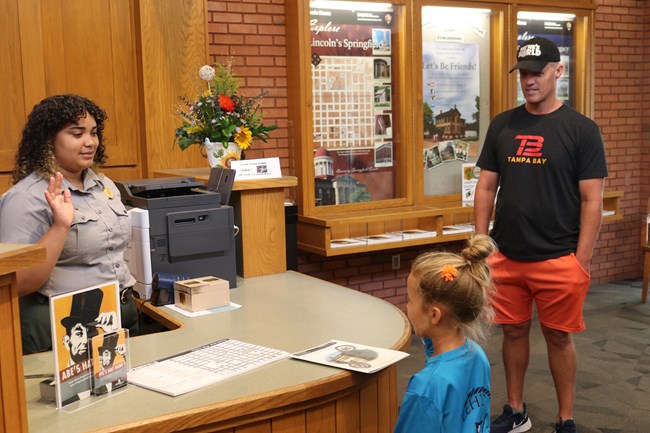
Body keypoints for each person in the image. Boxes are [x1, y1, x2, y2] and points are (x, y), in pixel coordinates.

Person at [474, 37, 608, 433]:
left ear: (557, 71)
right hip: (507, 256)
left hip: (559, 258)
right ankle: (516, 411)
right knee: (513, 331)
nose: (530, 81)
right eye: (525, 74)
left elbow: (592, 201)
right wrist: (482, 246)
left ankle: (566, 418)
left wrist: (580, 261)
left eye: (538, 72)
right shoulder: (503, 124)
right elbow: (485, 188)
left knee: (559, 338)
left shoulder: (582, 130)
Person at [0, 94, 139, 355]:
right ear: (48, 141)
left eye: (94, 133)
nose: (90, 142)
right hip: (67, 326)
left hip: (118, 313)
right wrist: (60, 227)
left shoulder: (104, 185)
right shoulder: (25, 197)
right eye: (77, 134)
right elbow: (20, 282)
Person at [394, 235, 496, 433]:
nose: (406, 306)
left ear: (434, 314)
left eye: (410, 300)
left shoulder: (426, 386)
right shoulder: (477, 355)